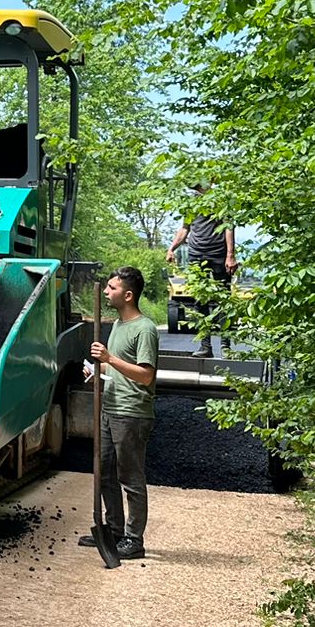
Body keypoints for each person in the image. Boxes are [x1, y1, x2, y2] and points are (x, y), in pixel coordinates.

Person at [86, 265, 157, 560]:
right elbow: (116, 369)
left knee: (130, 478)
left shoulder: (145, 329)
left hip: (131, 413)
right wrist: (96, 370)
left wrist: (109, 358)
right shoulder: (116, 325)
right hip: (110, 407)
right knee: (104, 475)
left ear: (128, 295)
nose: (105, 291)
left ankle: (133, 539)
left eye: (111, 288)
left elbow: (145, 376)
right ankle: (113, 530)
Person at [168, 188, 236, 357]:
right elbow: (185, 228)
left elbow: (229, 227)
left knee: (223, 299)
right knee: (199, 300)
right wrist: (172, 248)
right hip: (196, 255)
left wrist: (230, 255)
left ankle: (226, 346)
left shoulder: (219, 201)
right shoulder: (191, 203)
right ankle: (205, 347)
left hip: (218, 254)